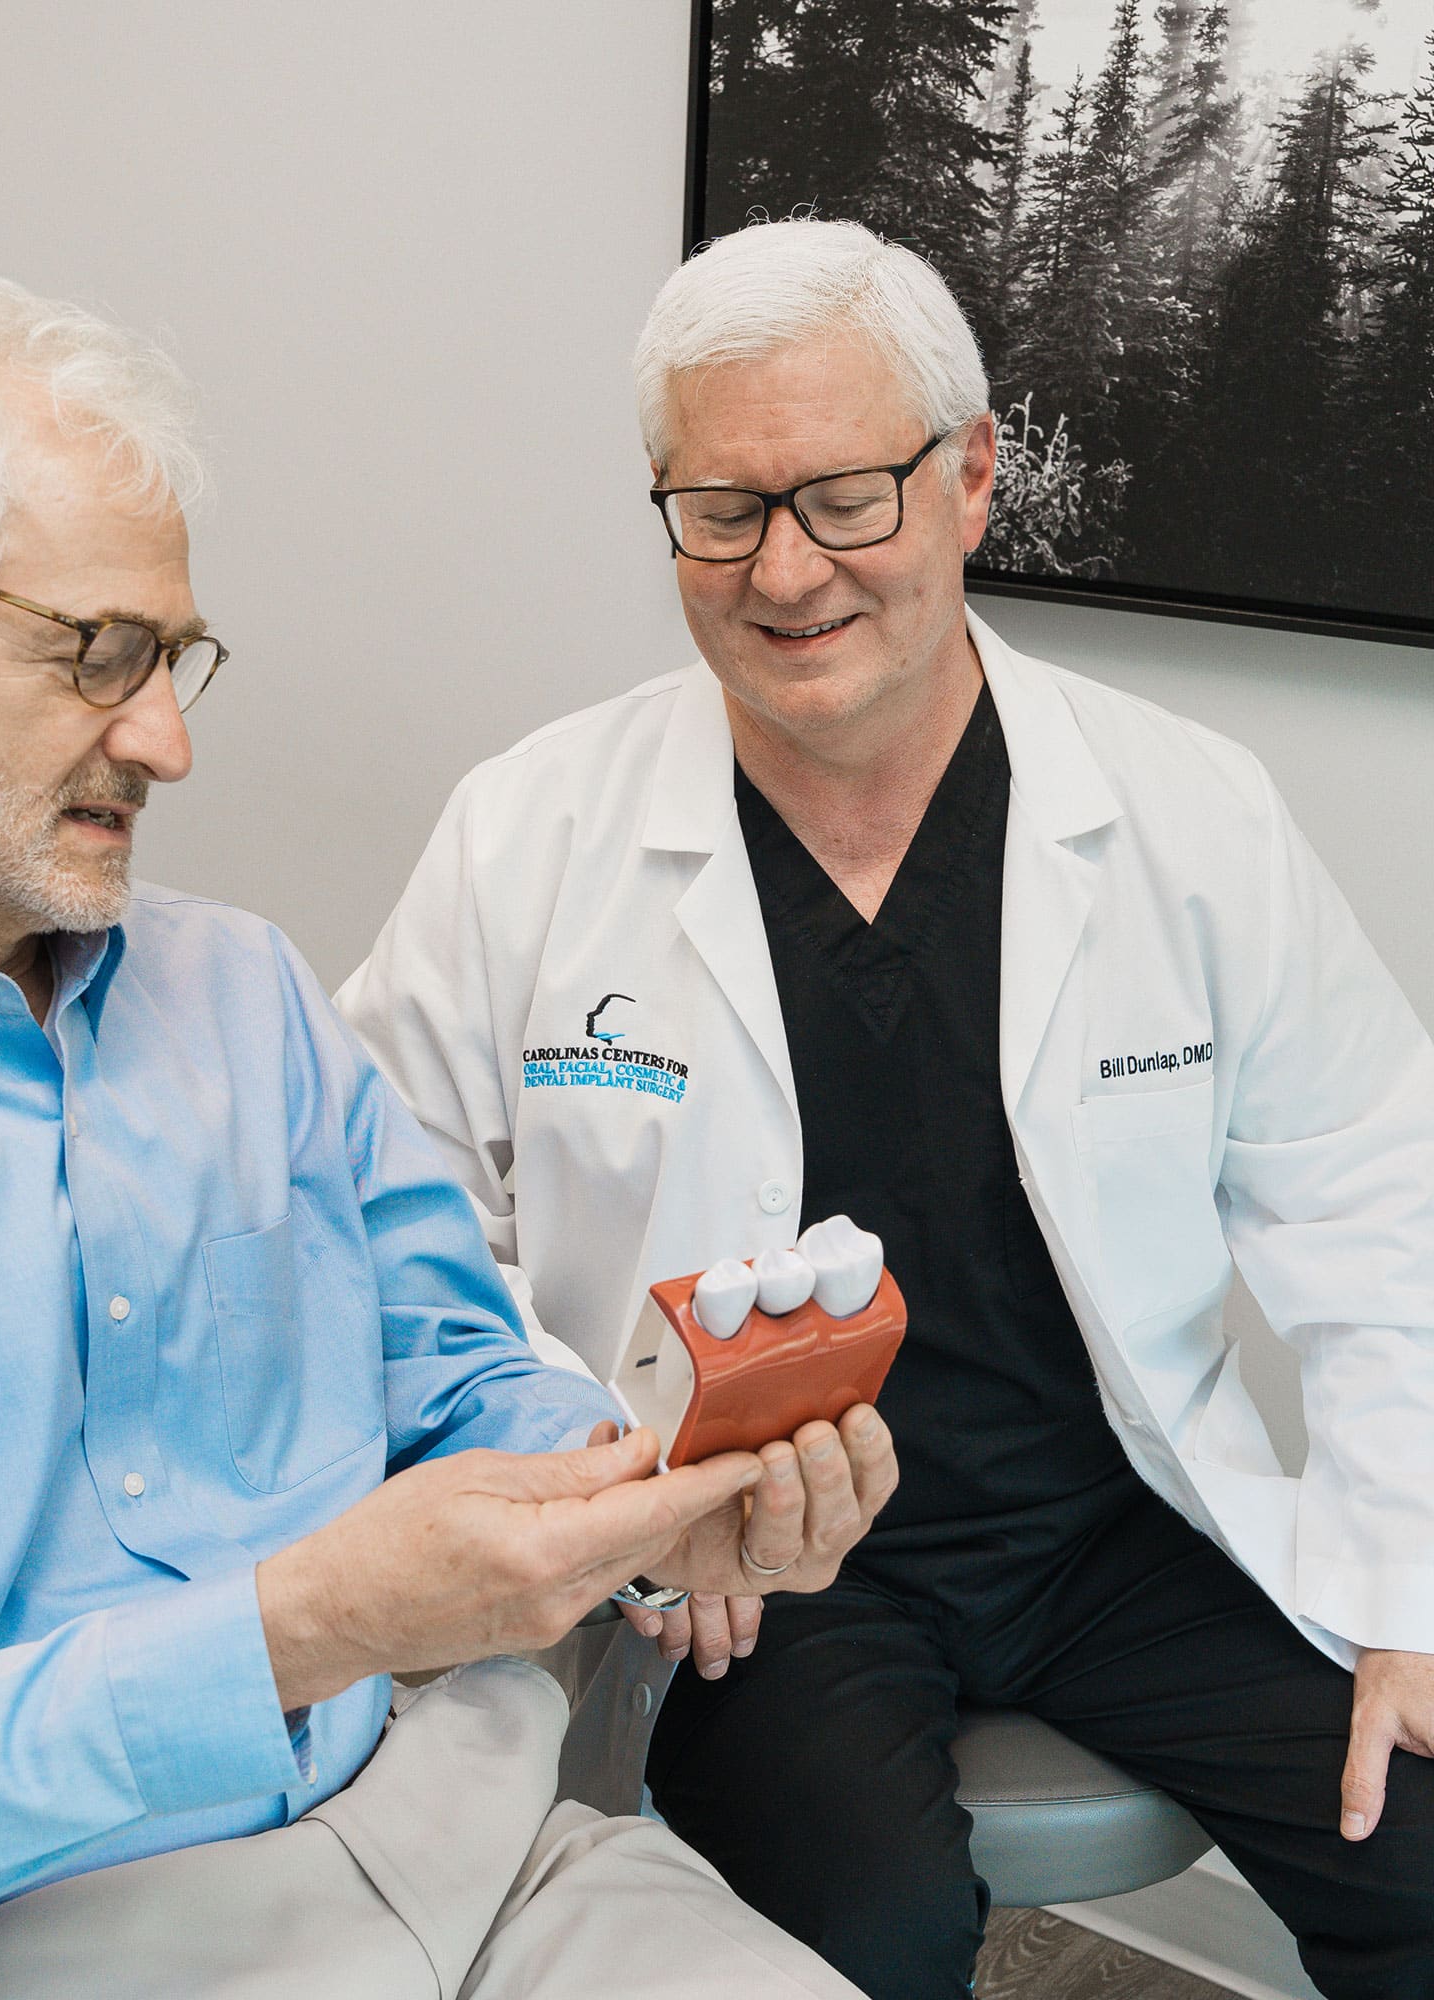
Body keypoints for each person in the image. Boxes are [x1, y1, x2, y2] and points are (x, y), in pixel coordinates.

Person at [0, 270, 896, 2000]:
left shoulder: (241, 993)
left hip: (484, 1843)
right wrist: (293, 1633)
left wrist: (639, 1495)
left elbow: (458, 1377)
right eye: (95, 656)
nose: (170, 741)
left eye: (174, 654)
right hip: (20, 1942)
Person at [336, 218, 1434, 2000]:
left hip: (1120, 1523)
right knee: (862, 1942)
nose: (786, 573)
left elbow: (1383, 1200)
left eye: (848, 497)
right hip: (764, 1560)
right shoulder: (531, 830)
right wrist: (612, 1484)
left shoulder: (1187, 817)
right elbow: (380, 1227)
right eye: (721, 509)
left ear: (974, 477)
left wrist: (1410, 1589)